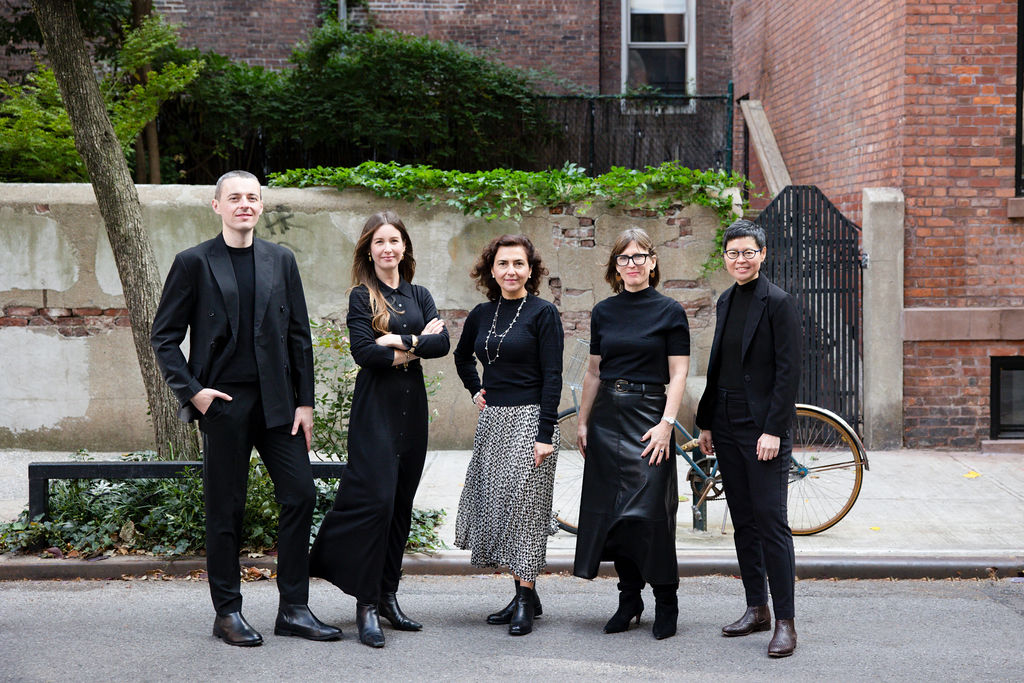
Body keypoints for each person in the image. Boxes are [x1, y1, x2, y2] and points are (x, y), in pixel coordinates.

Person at [151, 170, 341, 647]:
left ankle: (294, 609)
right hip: (223, 404)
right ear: (217, 205)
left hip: (279, 404)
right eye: (234, 197)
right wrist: (193, 392)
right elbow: (164, 337)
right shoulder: (193, 262)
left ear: (261, 205)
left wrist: (305, 402)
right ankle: (228, 612)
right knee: (226, 509)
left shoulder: (281, 260)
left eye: (252, 197)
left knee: (301, 495)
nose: (245, 204)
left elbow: (299, 336)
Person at [308, 210, 449, 648]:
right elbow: (364, 354)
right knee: (377, 504)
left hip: (412, 410)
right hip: (375, 411)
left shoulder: (419, 294)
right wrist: (416, 344)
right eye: (379, 242)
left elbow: (443, 344)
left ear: (404, 247)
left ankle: (388, 595)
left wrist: (395, 341)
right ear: (369, 251)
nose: (388, 248)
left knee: (401, 506)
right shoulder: (361, 297)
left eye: (394, 241)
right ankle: (365, 604)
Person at [573, 228, 690, 640]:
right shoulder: (604, 311)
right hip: (607, 418)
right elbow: (593, 372)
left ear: (653, 262)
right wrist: (583, 421)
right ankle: (629, 601)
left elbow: (679, 374)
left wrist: (666, 424)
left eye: (640, 256)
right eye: (624, 258)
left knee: (650, 516)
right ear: (615, 267)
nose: (632, 264)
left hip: (649, 418)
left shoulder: (670, 311)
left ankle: (666, 600)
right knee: (616, 516)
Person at [695, 218, 802, 658]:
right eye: (733, 253)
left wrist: (773, 429)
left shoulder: (778, 302)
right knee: (742, 520)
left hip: (762, 426)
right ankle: (756, 607)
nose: (741, 260)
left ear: (763, 254)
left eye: (748, 252)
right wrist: (706, 422)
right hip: (725, 421)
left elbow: (788, 372)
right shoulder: (725, 300)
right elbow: (720, 366)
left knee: (771, 522)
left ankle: (785, 622)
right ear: (725, 258)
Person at [453, 234, 564, 637]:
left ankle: (524, 601)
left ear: (530, 270)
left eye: (519, 263)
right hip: (494, 422)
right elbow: (461, 356)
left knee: (526, 512)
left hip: (532, 421)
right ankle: (525, 596)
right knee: (502, 509)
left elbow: (553, 376)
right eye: (503, 263)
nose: (511, 271)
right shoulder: (482, 314)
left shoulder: (543, 313)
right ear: (492, 269)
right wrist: (475, 390)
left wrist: (545, 434)